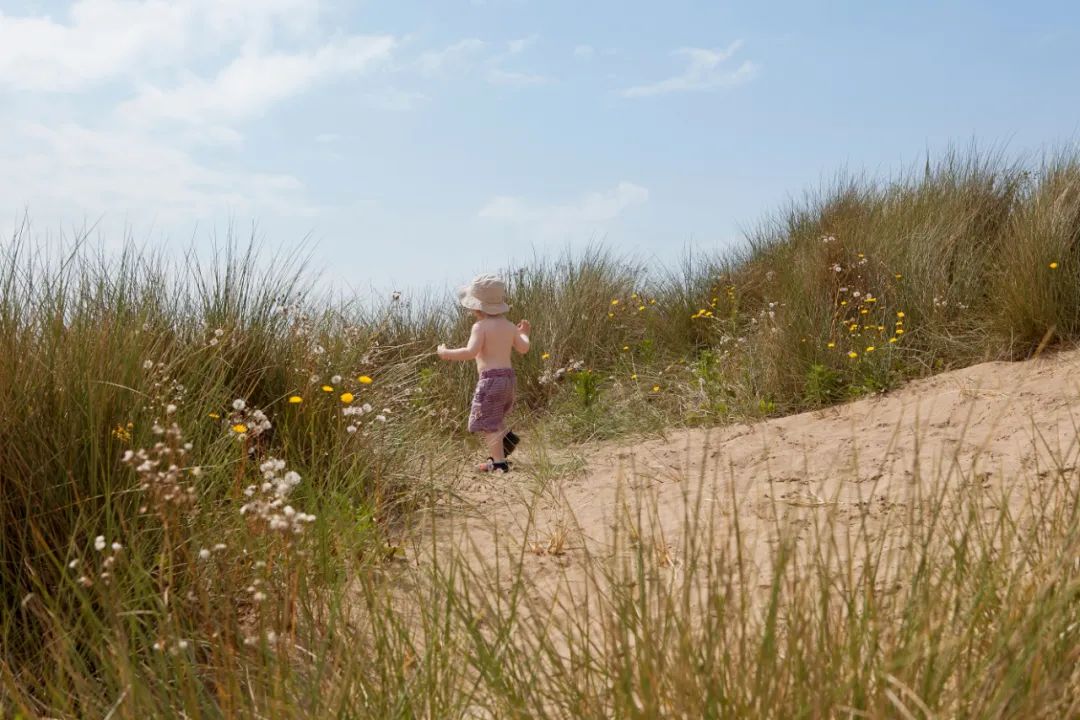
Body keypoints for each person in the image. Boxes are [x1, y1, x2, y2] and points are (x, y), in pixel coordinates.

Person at [437, 274, 530, 472]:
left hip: (491, 380)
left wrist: (446, 353)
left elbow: (470, 352)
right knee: (495, 418)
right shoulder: (510, 326)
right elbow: (523, 349)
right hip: (509, 380)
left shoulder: (480, 327)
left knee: (489, 424)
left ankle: (499, 464)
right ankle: (506, 442)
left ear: (477, 306)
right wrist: (524, 334)